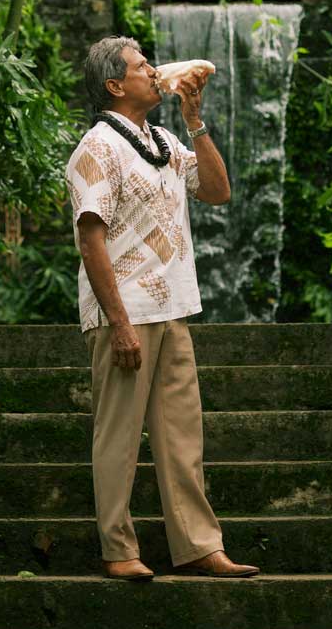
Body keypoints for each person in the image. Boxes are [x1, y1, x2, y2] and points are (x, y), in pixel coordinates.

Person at [65, 35, 259, 582]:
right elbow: (90, 241)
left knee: (181, 438)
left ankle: (199, 545)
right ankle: (118, 548)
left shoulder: (166, 140)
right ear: (114, 85)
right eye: (140, 65)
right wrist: (120, 324)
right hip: (123, 314)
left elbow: (217, 191)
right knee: (119, 435)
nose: (153, 71)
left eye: (151, 64)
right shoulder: (96, 148)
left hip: (173, 308)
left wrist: (194, 119)